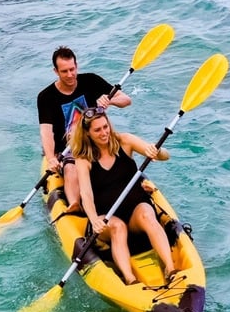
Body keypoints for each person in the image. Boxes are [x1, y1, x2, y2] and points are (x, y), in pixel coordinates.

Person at [70, 106, 175, 285]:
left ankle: (171, 269)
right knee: (118, 227)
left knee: (147, 214)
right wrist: (94, 219)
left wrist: (157, 152)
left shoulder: (125, 141)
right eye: (97, 130)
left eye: (105, 127)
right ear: (87, 133)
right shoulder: (83, 159)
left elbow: (165, 156)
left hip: (134, 210)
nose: (104, 133)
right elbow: (86, 194)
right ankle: (130, 279)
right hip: (107, 216)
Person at [37, 46, 131, 211]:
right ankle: (74, 205)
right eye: (64, 71)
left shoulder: (91, 80)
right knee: (71, 167)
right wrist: (51, 158)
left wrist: (110, 101)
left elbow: (126, 100)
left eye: (72, 69)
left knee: (121, 149)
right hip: (69, 148)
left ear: (76, 66)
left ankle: (133, 185)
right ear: (56, 71)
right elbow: (46, 131)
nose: (70, 75)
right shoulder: (45, 97)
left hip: (97, 140)